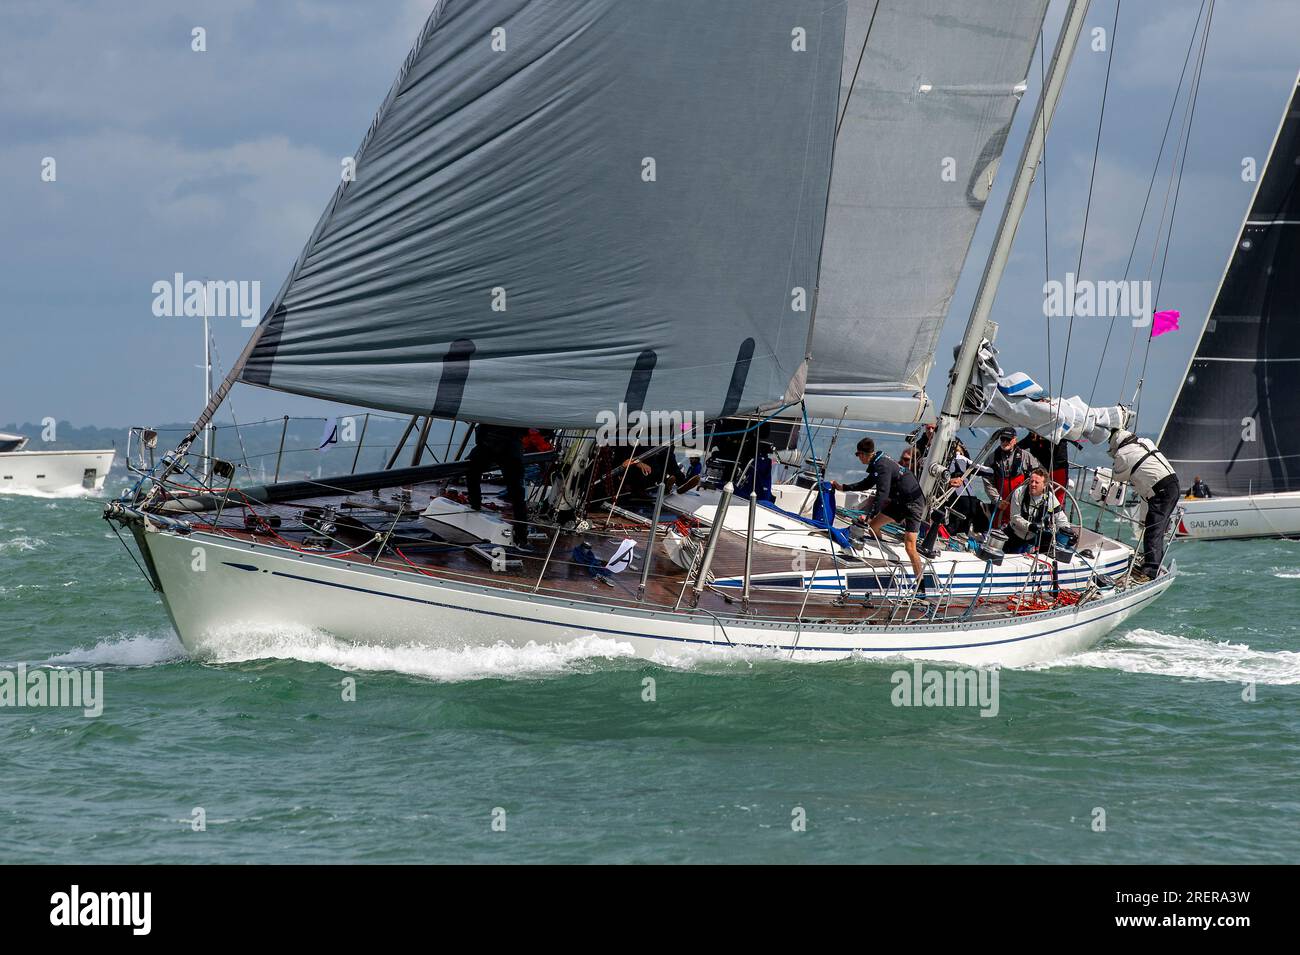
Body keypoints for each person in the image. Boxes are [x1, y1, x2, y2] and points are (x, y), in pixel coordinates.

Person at [832, 437, 927, 591]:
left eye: (858, 455)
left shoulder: (882, 465)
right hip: (900, 501)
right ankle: (883, 557)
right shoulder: (878, 462)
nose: (858, 458)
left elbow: (882, 494)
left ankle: (921, 586)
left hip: (913, 504)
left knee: (910, 546)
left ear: (863, 454)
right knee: (873, 527)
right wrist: (844, 487)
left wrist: (869, 515)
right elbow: (867, 483)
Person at [1107, 429, 1180, 582]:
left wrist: (1114, 457)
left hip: (1160, 490)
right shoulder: (1145, 441)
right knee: (1156, 529)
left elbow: (1117, 475)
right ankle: (1154, 563)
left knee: (1153, 530)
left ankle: (1151, 569)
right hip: (1173, 483)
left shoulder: (1122, 454)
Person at [465, 424, 530, 547]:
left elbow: (481, 428)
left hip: (492, 444)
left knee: (472, 472)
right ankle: (521, 535)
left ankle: (475, 506)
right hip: (508, 447)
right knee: (517, 493)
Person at [984, 428, 1040, 528]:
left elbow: (1038, 476)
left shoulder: (1026, 457)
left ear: (1015, 440)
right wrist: (997, 501)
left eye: (1008, 439)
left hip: (1021, 502)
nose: (1005, 442)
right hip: (1001, 503)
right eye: (1003, 439)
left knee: (1021, 527)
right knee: (997, 528)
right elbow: (988, 482)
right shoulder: (991, 459)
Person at [1004, 467, 1067, 553]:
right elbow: (1015, 517)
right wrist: (1030, 526)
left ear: (1044, 485)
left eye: (1036, 482)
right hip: (1014, 535)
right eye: (1031, 481)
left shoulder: (1050, 498)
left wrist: (1067, 532)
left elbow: (1061, 519)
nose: (1033, 484)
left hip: (1033, 540)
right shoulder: (1019, 492)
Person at [945, 440, 992, 535]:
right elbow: (988, 471)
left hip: (957, 499)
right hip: (969, 499)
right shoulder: (964, 460)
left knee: (954, 526)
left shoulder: (946, 460)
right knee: (966, 523)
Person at [1022, 432, 1071, 505]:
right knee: (1039, 498)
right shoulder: (1033, 436)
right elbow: (1019, 446)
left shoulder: (1058, 433)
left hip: (1058, 469)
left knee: (1058, 500)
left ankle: (1055, 515)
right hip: (1042, 470)